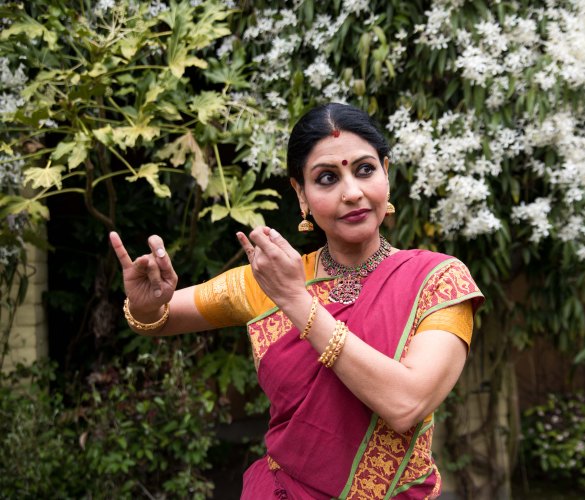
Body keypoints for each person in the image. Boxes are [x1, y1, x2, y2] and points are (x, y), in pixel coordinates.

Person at [110, 103, 484, 499]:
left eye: (364, 170)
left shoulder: (438, 281)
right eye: (327, 178)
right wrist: (146, 303)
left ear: (386, 174)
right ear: (301, 194)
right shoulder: (268, 282)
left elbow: (405, 403)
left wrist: (297, 301)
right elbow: (160, 317)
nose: (352, 193)